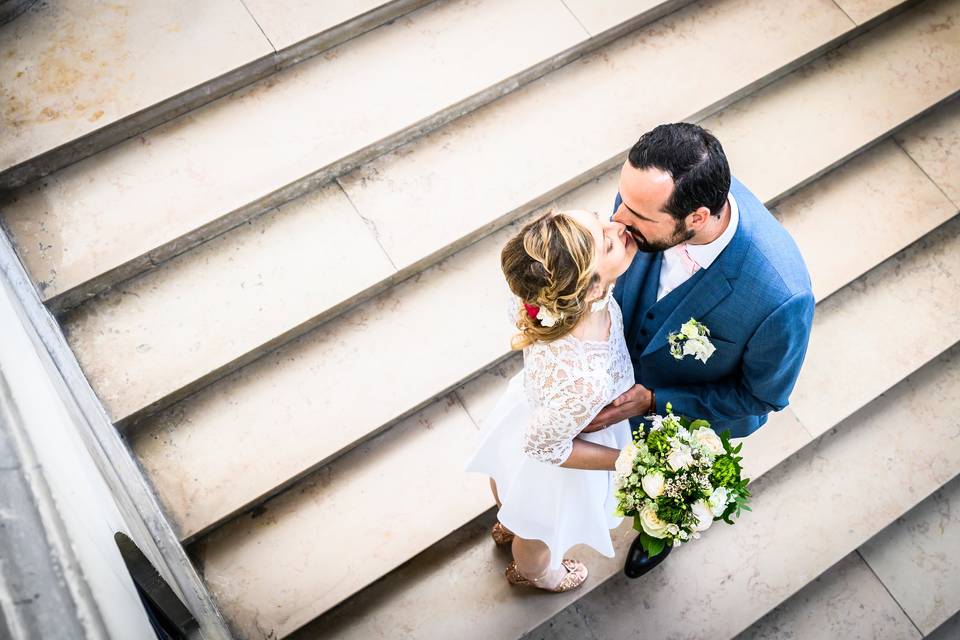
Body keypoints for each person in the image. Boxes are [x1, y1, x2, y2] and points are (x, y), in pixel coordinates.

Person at [584, 122, 815, 575]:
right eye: (622, 201)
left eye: (637, 217)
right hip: (611, 373)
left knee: (667, 495)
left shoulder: (780, 297)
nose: (617, 223)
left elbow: (761, 397)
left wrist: (655, 400)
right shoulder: (643, 201)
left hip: (686, 417)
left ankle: (657, 535)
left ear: (697, 218)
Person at [465, 208, 638, 592]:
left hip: (533, 409)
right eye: (608, 242)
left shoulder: (541, 296)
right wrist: (625, 460)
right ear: (592, 288)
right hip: (558, 455)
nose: (619, 226)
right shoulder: (585, 381)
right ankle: (536, 572)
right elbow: (545, 450)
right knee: (542, 531)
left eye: (600, 221)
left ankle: (506, 520)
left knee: (510, 480)